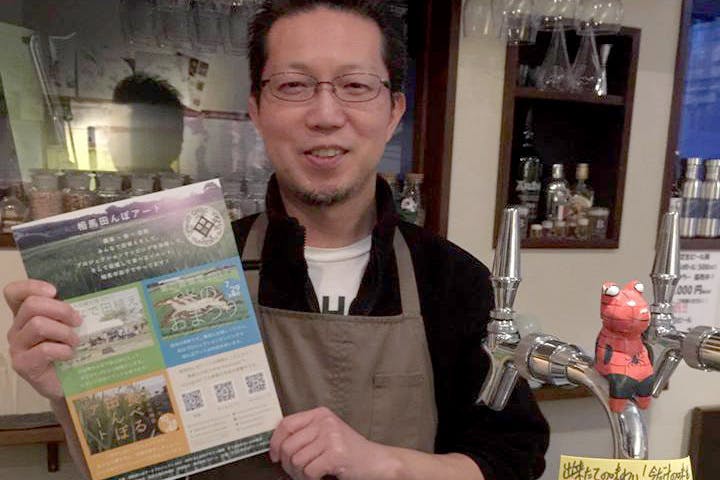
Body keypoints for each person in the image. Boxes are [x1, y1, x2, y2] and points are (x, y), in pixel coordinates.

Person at [3, 1, 549, 479]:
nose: (325, 115)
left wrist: (384, 464)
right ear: (257, 111)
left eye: (356, 86)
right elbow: (143, 464)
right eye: (293, 85)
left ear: (393, 113)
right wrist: (76, 388)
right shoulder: (187, 266)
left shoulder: (452, 279)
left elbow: (511, 460)